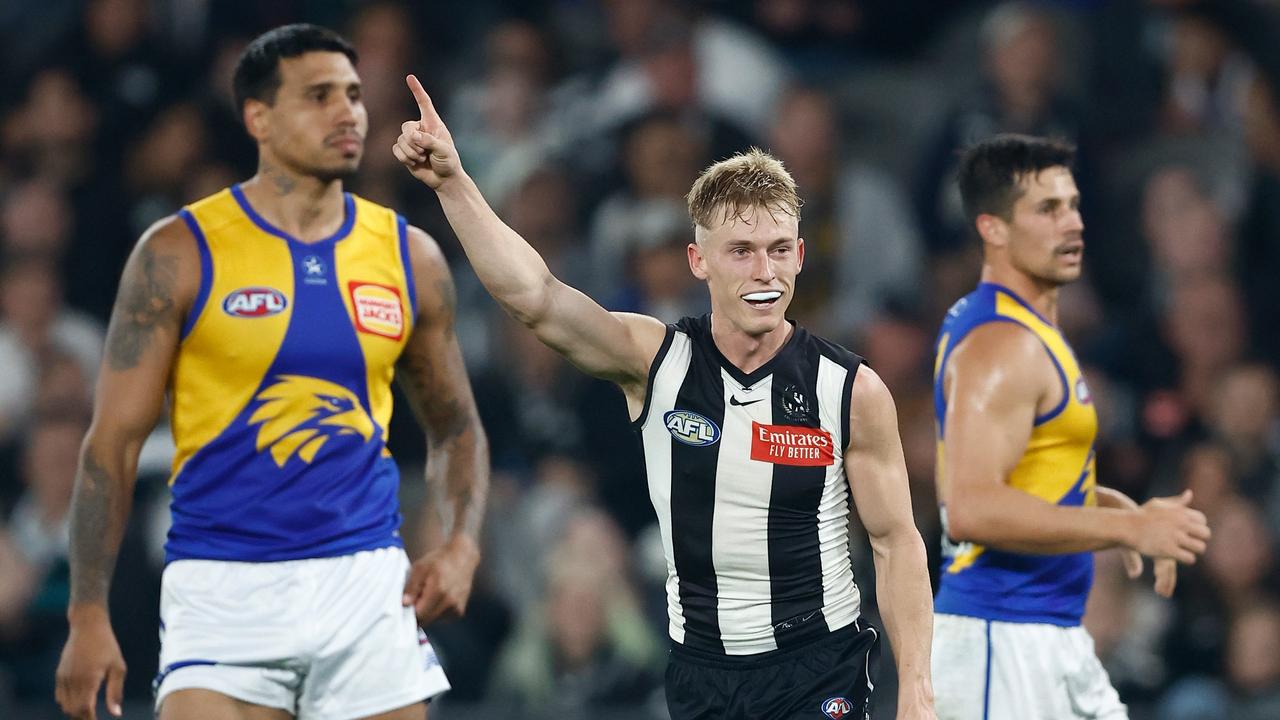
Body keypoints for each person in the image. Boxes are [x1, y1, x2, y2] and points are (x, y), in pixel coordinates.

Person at [394, 75, 937, 719]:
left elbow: (897, 542)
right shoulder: (657, 362)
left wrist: (918, 692)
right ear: (698, 260)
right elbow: (535, 296)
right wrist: (455, 184)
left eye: (779, 250)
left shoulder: (850, 390)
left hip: (818, 673)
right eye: (741, 251)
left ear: (799, 257)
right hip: (698, 674)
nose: (764, 272)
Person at [54, 24, 488, 720]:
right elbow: (110, 444)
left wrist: (462, 542)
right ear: (258, 117)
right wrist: (86, 615)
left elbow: (455, 426)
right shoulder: (177, 254)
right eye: (319, 96)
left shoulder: (411, 258)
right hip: (223, 584)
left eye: (352, 94)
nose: (348, 112)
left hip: (366, 582)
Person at [929, 134, 1212, 720]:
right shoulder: (1000, 346)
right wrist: (1127, 533)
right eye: (1047, 210)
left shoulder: (1028, 331)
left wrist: (1122, 517)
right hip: (1000, 643)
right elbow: (971, 507)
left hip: (1048, 634)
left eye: (1074, 205)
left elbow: (1031, 478)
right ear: (993, 229)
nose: (1073, 224)